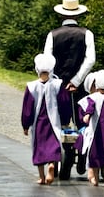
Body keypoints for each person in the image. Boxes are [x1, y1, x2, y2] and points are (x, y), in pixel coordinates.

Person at [44, 0, 96, 179]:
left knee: (59, 120)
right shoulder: (87, 33)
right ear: (78, 15)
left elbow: (47, 61)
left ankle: (64, 153)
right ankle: (82, 152)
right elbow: (91, 60)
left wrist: (54, 81)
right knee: (82, 118)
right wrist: (77, 80)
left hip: (58, 84)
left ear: (61, 15)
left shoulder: (53, 35)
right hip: (79, 85)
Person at [21, 53, 70, 185]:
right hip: (53, 122)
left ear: (37, 69)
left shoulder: (31, 86)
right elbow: (64, 103)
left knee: (39, 147)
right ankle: (51, 165)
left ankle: (42, 177)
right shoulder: (58, 84)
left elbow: (27, 108)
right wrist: (65, 120)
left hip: (39, 123)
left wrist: (26, 125)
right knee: (53, 145)